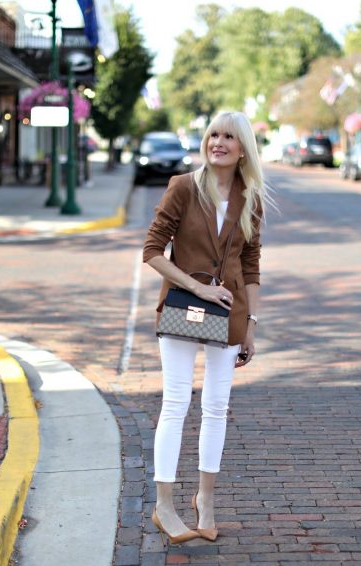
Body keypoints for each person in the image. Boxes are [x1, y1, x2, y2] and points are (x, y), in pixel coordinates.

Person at [142, 111, 272, 544]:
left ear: (243, 148)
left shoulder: (250, 197)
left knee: (216, 407)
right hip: (183, 307)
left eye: (228, 137)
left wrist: (251, 325)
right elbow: (152, 250)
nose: (218, 142)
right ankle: (163, 505)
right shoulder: (183, 187)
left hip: (230, 313)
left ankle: (206, 499)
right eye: (213, 134)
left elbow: (250, 265)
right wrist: (197, 288)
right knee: (176, 403)